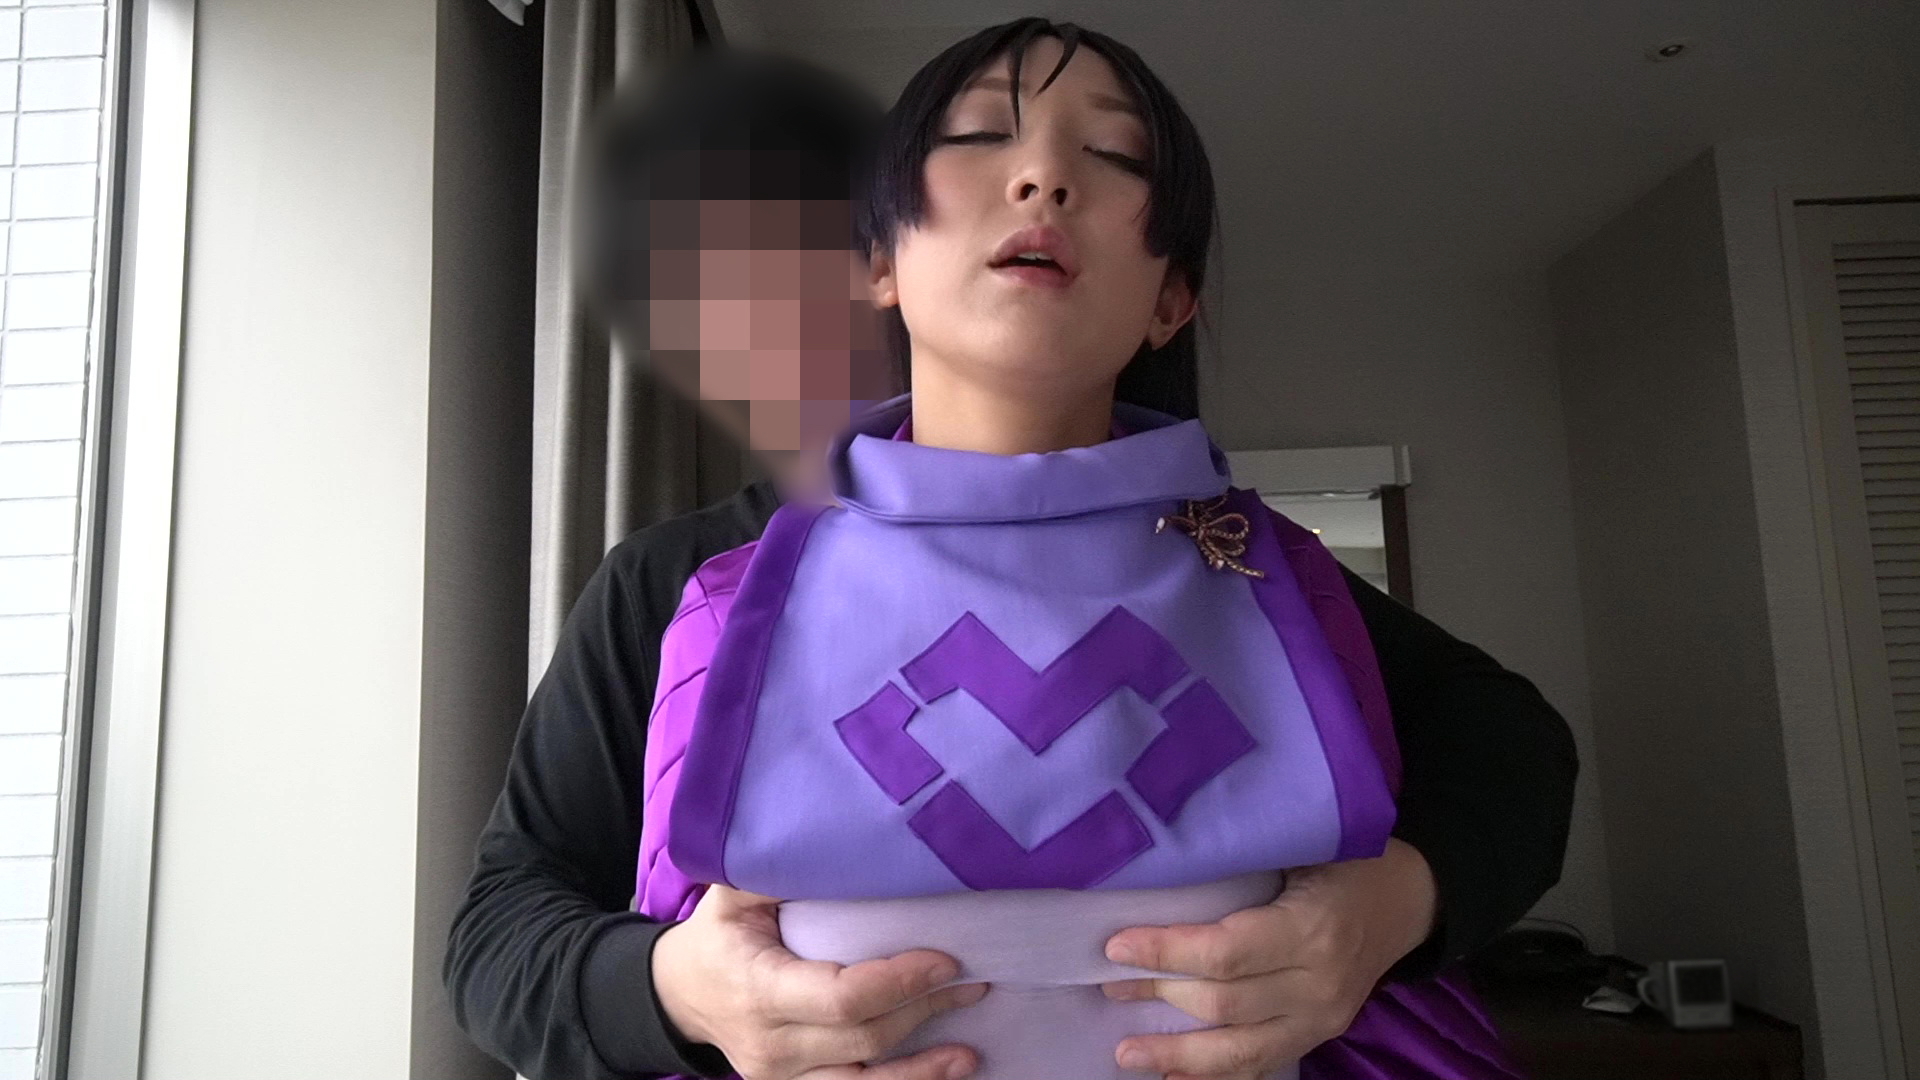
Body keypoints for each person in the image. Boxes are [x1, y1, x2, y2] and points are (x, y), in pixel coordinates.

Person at [444, 31, 1578, 1080]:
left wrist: (1389, 912)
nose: (1043, 178)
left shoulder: (1267, 579)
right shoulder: (686, 585)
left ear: (1171, 298)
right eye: (981, 135)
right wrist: (675, 992)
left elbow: (1518, 751)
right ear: (879, 257)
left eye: (1115, 155)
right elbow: (497, 939)